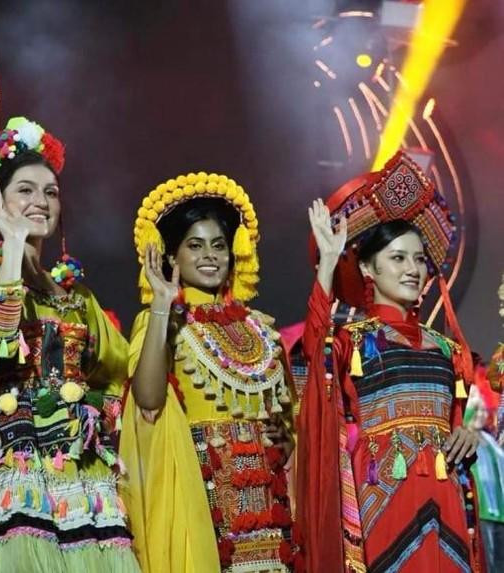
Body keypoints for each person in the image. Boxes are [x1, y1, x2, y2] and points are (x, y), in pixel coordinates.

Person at [0, 117, 139, 572]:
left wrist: (97, 423)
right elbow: (0, 347)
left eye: (50, 192)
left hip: (79, 474)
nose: (41, 201)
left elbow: (115, 373)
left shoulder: (78, 298)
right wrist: (12, 245)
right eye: (25, 190)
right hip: (14, 464)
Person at [298, 151, 483, 572]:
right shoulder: (349, 341)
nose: (413, 269)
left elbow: (456, 424)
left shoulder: (446, 349)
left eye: (419, 259)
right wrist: (327, 265)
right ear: (368, 267)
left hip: (447, 501)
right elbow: (315, 357)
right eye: (398, 258)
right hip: (383, 502)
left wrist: (469, 436)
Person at [119, 173, 300, 572]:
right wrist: (163, 305)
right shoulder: (162, 323)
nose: (210, 256)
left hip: (270, 508)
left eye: (219, 245)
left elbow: (289, 423)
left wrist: (285, 441)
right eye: (194, 246)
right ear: (172, 257)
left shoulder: (262, 327)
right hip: (203, 501)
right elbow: (147, 401)